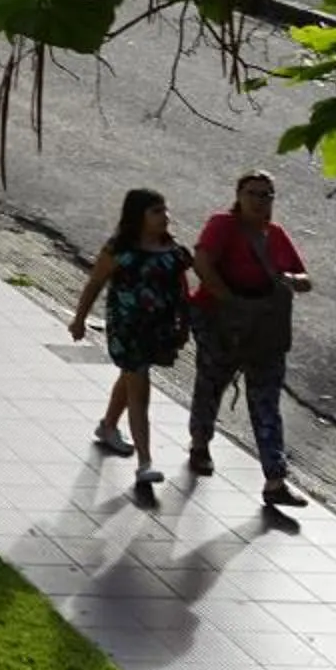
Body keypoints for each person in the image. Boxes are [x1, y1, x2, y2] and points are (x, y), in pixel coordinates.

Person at [187, 169, 313, 508]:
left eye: (267, 195)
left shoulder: (276, 235)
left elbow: (304, 278)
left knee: (266, 402)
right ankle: (200, 444)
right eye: (254, 193)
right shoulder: (222, 226)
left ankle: (275, 479)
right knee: (211, 384)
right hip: (221, 324)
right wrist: (229, 302)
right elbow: (202, 262)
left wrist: (291, 279)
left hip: (264, 330)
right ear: (239, 196)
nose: (260, 201)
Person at [69, 187, 193, 487]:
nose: (165, 217)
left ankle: (108, 426)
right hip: (128, 330)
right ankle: (145, 462)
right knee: (139, 389)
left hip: (159, 330)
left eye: (165, 210)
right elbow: (95, 283)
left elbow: (182, 292)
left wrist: (184, 326)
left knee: (130, 377)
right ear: (138, 216)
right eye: (156, 211)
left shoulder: (172, 250)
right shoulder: (119, 249)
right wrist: (80, 319)